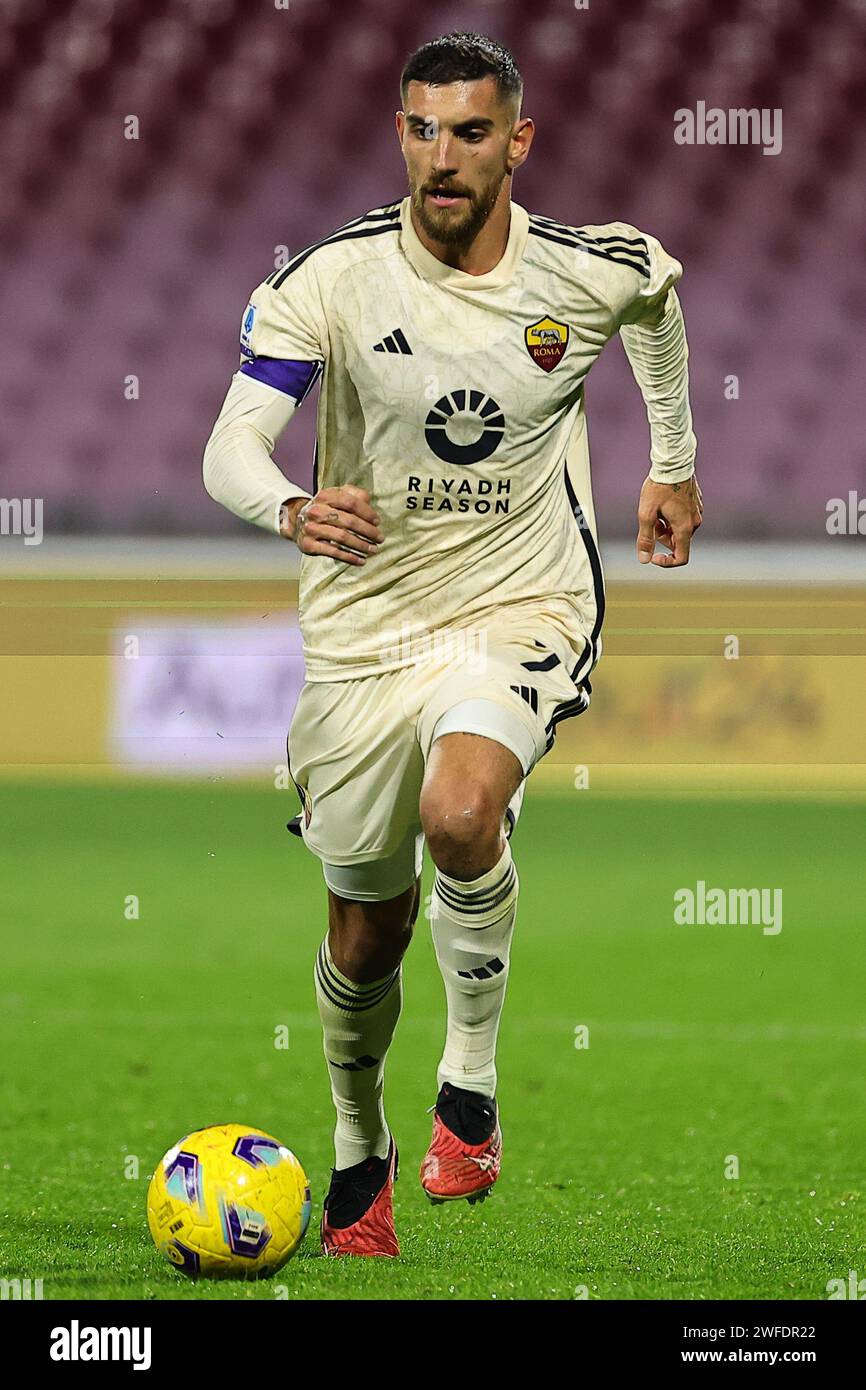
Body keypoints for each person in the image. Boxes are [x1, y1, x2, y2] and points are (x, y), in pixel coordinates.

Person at [203, 30, 701, 1258]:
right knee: (362, 928)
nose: (442, 154)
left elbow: (653, 298)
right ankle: (357, 1151)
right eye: (421, 128)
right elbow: (229, 444)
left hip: (520, 604)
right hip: (365, 630)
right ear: (398, 134)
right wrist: (287, 505)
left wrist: (673, 466)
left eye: (470, 130)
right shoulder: (330, 279)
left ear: (516, 142)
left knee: (462, 810)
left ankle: (468, 1087)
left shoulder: (580, 271)